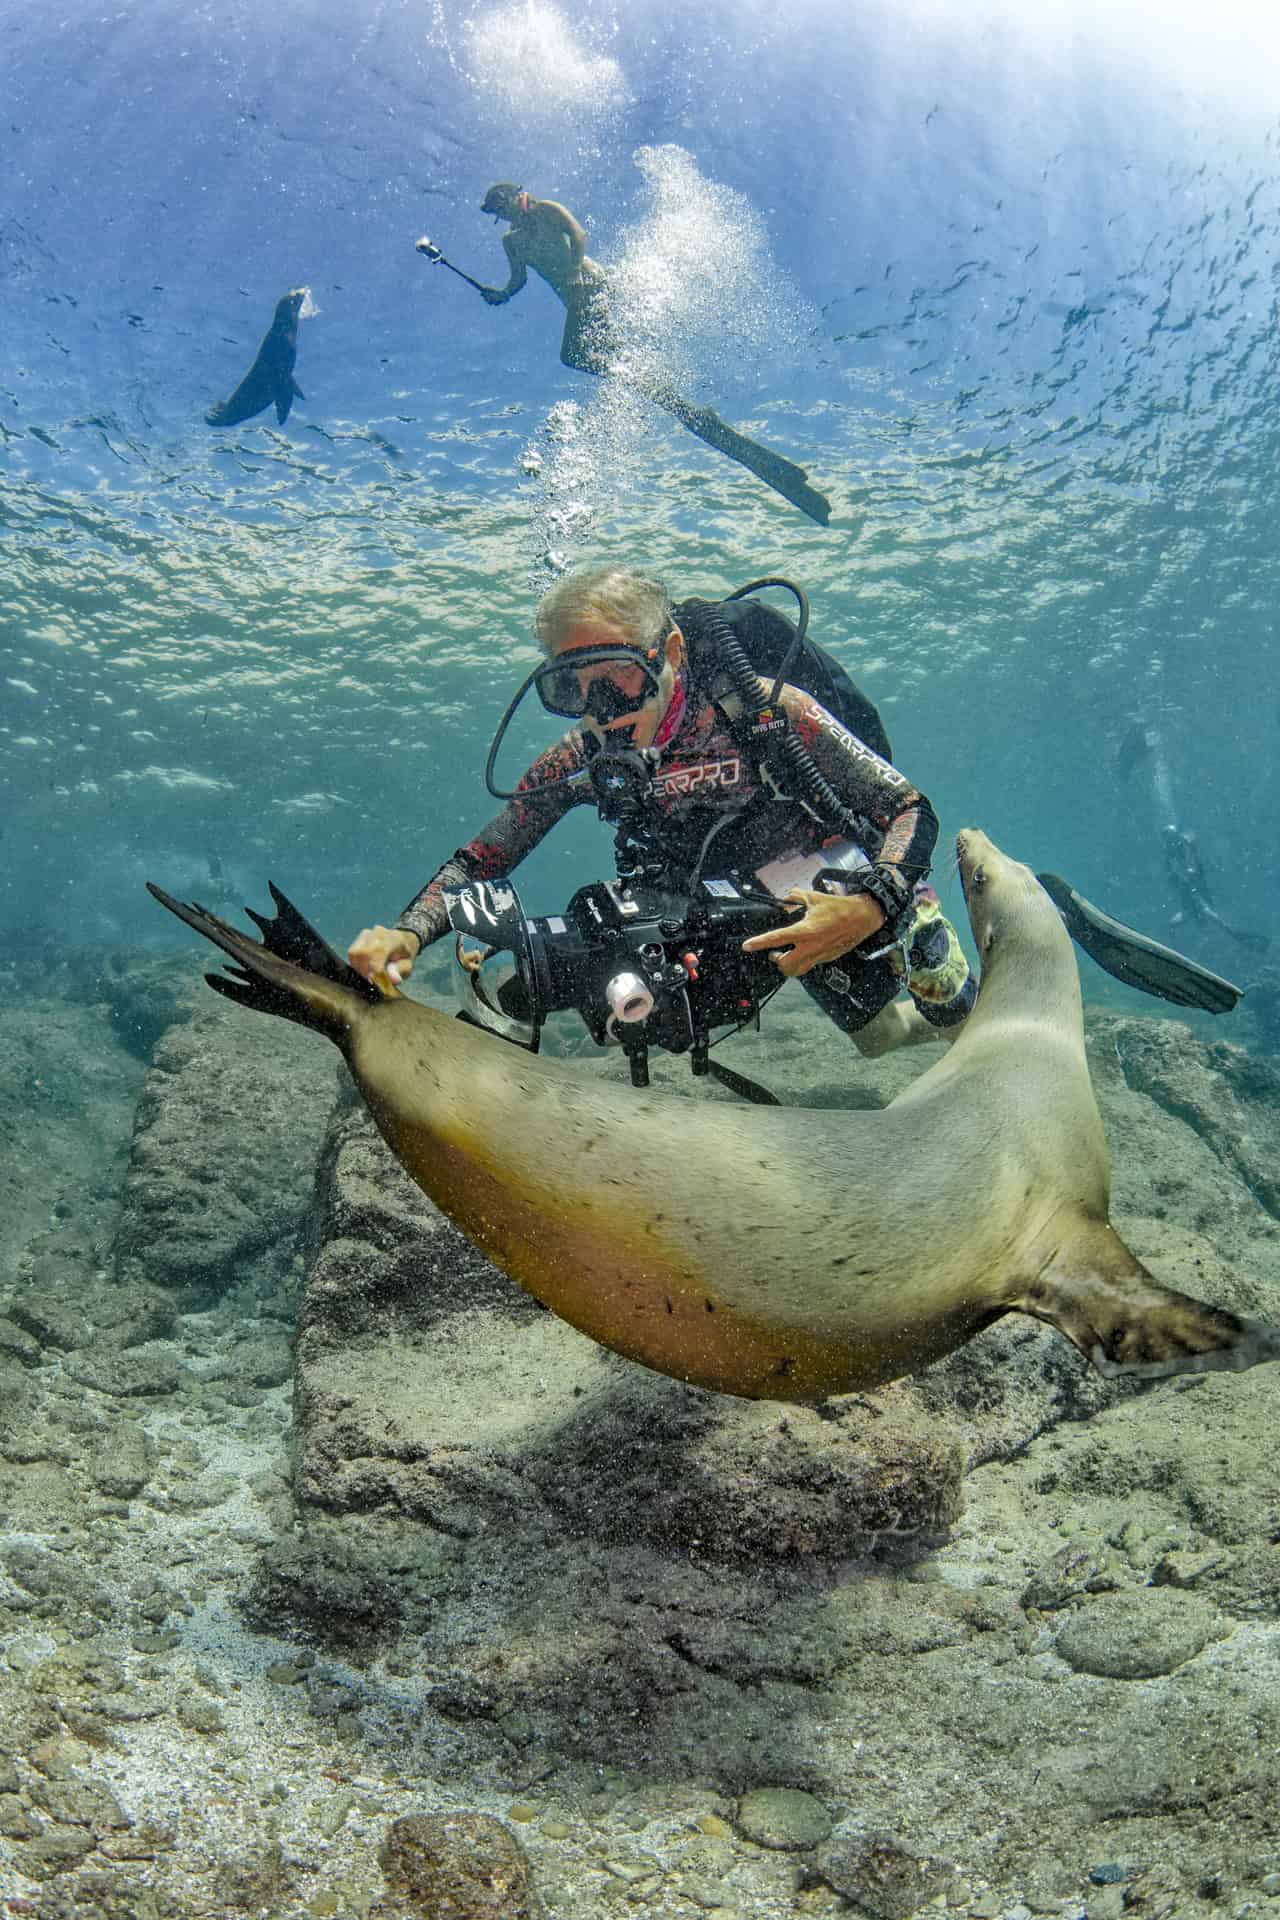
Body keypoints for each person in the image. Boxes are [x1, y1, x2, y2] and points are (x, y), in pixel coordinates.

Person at [348, 566, 975, 1058]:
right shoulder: (578, 757)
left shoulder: (763, 710)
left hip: (845, 880)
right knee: (880, 1038)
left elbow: (907, 807)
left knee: (952, 1009)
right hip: (736, 909)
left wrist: (872, 902)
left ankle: (1003, 972)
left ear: (669, 651)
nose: (600, 707)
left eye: (617, 675)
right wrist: (408, 931)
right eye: (570, 685)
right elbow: (486, 855)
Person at [463, 183, 832, 527]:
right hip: (574, 303)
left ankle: (656, 388)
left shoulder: (547, 211)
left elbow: (578, 235)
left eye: (505, 206)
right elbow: (519, 280)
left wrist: (575, 272)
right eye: (498, 213)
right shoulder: (512, 243)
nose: (506, 216)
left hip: (593, 289)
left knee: (576, 355)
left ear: (517, 196)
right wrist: (501, 294)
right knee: (583, 358)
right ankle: (671, 399)